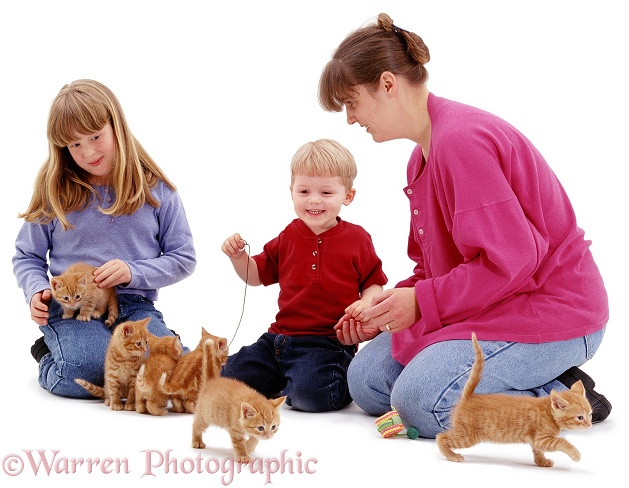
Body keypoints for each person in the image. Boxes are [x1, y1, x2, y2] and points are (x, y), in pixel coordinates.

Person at [319, 13, 611, 437]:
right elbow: (435, 270)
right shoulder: (420, 157)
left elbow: (511, 263)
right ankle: (529, 382)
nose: (349, 118)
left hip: (551, 308)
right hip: (492, 303)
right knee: (366, 381)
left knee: (420, 403)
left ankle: (562, 396)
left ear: (387, 84)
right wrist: (386, 307)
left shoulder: (460, 142)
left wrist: (419, 303)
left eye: (351, 102)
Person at [13, 79, 196, 399]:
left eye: (96, 136)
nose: (89, 151)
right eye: (75, 145)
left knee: (163, 373)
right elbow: (27, 255)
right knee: (89, 369)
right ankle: (49, 354)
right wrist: (36, 290)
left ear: (117, 125)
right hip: (73, 307)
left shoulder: (156, 190)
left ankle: (165, 342)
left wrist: (133, 272)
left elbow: (183, 258)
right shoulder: (55, 191)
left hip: (134, 306)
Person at [220, 139, 387, 412]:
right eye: (305, 190)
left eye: (326, 192)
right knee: (229, 376)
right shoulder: (289, 234)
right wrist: (239, 258)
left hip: (327, 343)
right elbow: (256, 276)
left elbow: (374, 282)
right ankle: (284, 378)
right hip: (278, 340)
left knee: (311, 396)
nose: (314, 200)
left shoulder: (357, 238)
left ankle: (332, 379)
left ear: (348, 195)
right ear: (292, 191)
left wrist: (367, 303)